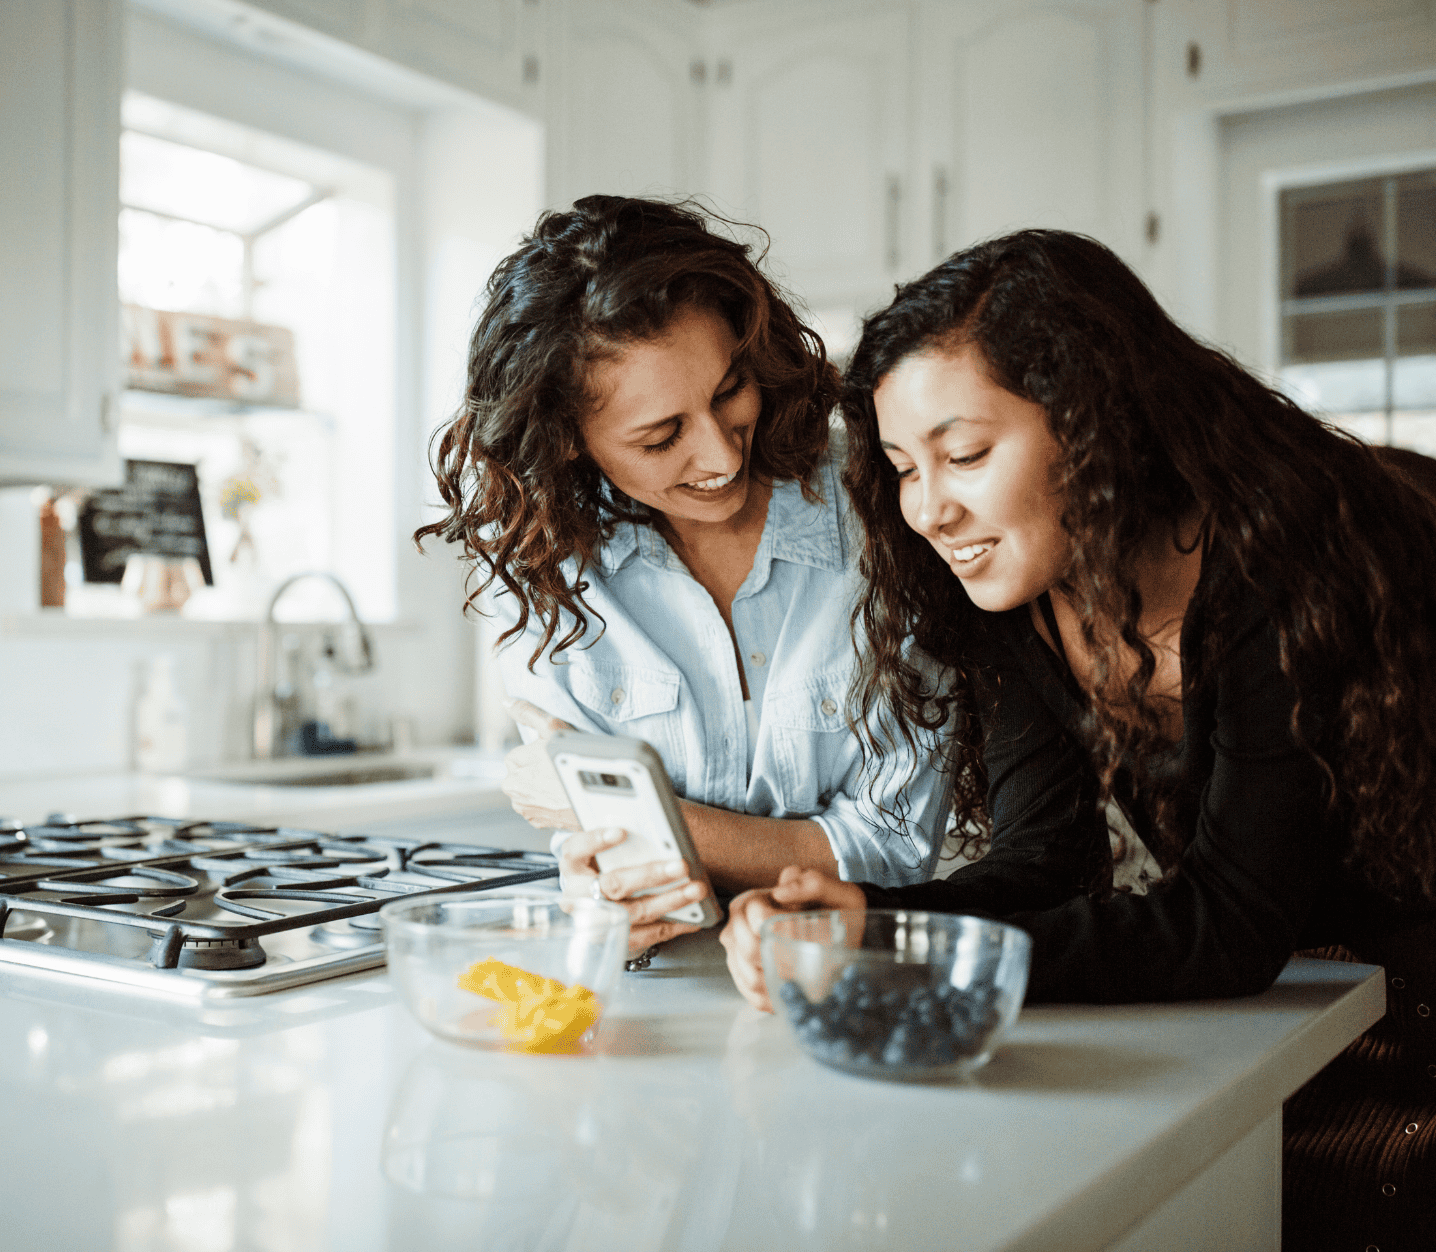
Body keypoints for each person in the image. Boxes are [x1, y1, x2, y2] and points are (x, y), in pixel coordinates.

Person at [719, 229, 1436, 1250]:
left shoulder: (1284, 567)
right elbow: (1046, 859)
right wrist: (859, 920)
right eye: (898, 467)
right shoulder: (1020, 598)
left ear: (1099, 426)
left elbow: (1227, 923)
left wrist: (894, 955)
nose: (927, 508)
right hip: (1295, 1007)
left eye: (964, 453)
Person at [417, 195, 952, 958]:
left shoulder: (883, 505)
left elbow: (895, 846)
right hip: (656, 990)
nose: (723, 457)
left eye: (730, 389)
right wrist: (604, 890)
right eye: (663, 437)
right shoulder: (543, 568)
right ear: (570, 440)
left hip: (852, 975)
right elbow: (609, 852)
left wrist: (665, 827)